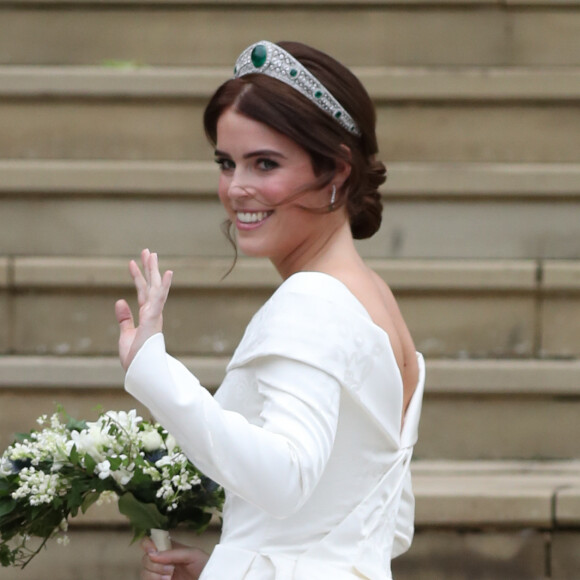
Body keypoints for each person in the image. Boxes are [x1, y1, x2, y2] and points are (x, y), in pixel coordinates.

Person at [115, 40, 425, 580]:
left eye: (265, 163)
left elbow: (285, 478)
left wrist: (153, 370)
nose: (237, 188)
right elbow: (387, 523)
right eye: (226, 162)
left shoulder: (312, 300)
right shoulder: (373, 299)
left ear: (336, 172)